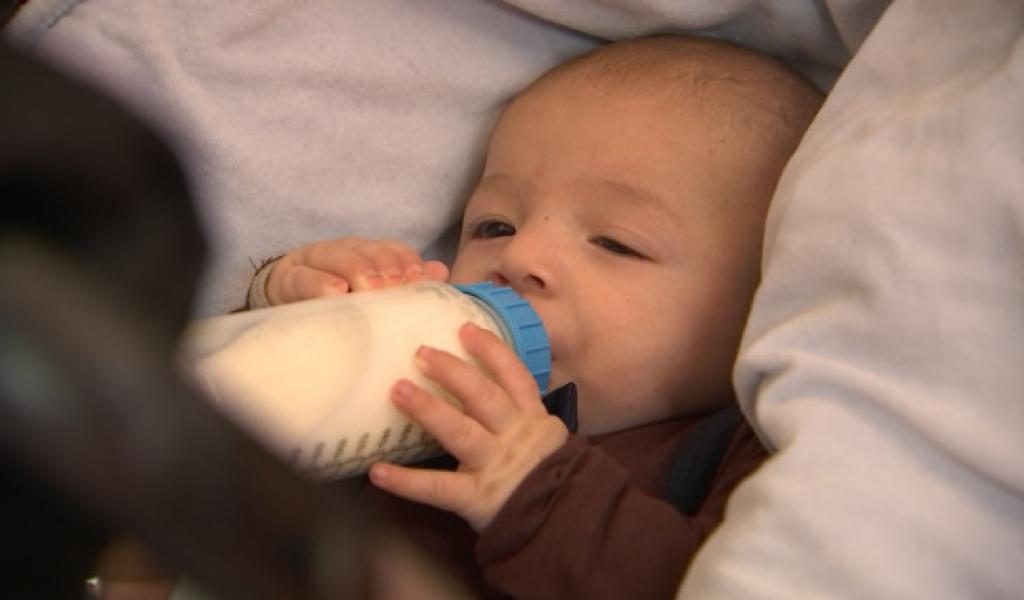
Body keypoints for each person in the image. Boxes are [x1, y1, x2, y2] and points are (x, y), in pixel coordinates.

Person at [245, 35, 823, 599]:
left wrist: (538, 493)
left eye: (615, 243)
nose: (519, 257)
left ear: (766, 301)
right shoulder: (427, 378)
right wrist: (290, 310)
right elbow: (239, 437)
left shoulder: (755, 457)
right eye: (494, 226)